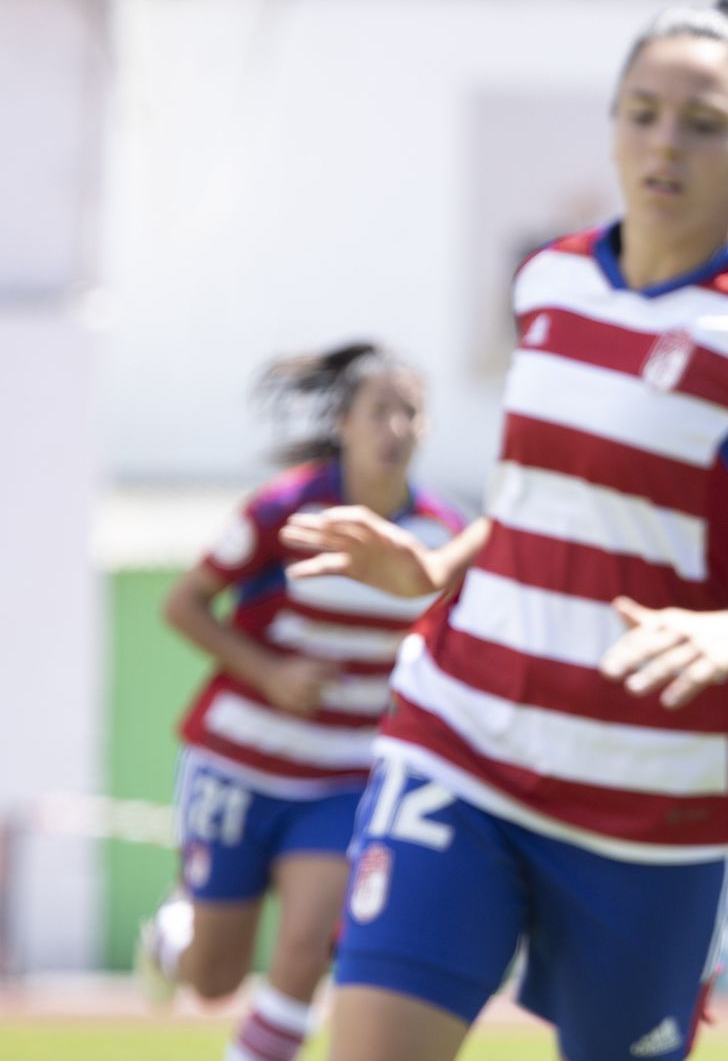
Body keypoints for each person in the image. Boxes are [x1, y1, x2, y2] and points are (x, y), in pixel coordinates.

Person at [279, 1, 728, 1060]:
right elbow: (545, 494)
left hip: (652, 798)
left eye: (700, 123)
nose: (663, 143)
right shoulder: (551, 277)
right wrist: (434, 562)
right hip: (461, 735)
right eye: (641, 113)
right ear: (614, 124)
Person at [135, 343, 465, 1061]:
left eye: (411, 411)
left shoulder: (445, 536)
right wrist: (271, 674)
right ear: (344, 423)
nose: (397, 427)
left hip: (345, 775)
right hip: (238, 763)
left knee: (310, 943)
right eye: (381, 410)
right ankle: (175, 939)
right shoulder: (283, 510)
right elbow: (183, 605)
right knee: (214, 979)